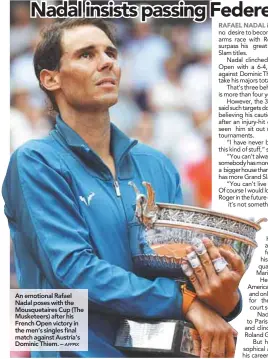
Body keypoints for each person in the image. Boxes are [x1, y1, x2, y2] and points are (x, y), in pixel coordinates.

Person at [3, 19, 244, 358]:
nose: (107, 62)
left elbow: (177, 269)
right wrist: (185, 302)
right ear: (50, 78)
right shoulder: (34, 162)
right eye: (86, 55)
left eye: (111, 53)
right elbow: (74, 271)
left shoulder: (157, 164)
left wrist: (225, 296)